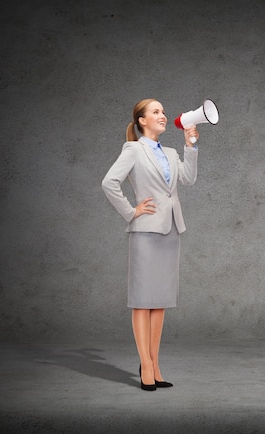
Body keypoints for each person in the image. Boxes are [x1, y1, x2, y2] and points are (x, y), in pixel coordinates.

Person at [102, 99, 199, 391]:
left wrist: (190, 146)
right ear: (142, 120)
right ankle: (145, 363)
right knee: (143, 300)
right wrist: (132, 211)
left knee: (160, 301)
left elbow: (188, 179)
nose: (163, 115)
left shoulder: (169, 152)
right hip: (145, 232)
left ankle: (155, 365)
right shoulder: (132, 149)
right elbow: (109, 183)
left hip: (170, 229)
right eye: (155, 112)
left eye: (163, 112)